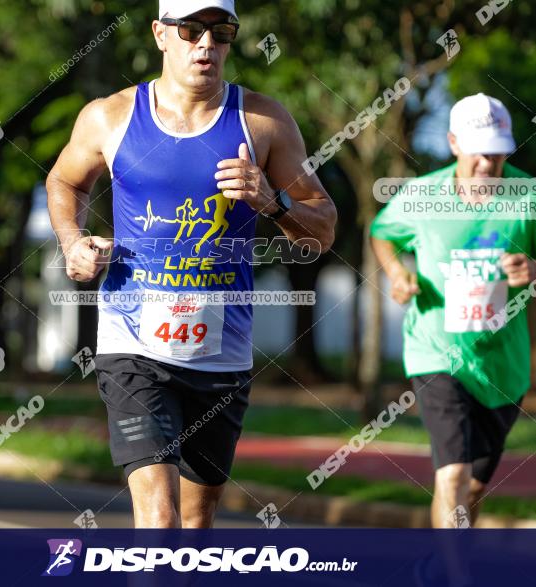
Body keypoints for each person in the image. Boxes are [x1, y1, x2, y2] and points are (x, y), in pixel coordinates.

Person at [47, 0, 336, 528]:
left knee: (196, 527)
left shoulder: (262, 120)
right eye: (191, 30)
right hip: (132, 348)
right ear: (161, 35)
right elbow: (65, 180)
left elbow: (322, 228)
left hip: (219, 357)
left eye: (221, 31)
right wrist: (72, 241)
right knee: (159, 518)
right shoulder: (110, 116)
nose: (207, 44)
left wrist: (272, 202)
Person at [371, 93, 536, 528]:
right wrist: (396, 273)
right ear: (453, 143)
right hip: (436, 353)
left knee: (471, 488)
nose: (488, 164)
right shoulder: (421, 196)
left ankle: (441, 564)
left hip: (502, 366)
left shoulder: (530, 197)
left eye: (497, 154)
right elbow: (382, 233)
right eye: (478, 153)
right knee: (452, 475)